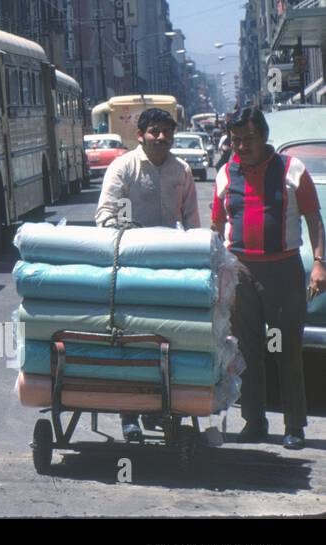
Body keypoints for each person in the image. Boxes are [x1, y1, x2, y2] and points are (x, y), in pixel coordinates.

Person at [212, 106, 326, 450]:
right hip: (241, 272)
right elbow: (216, 227)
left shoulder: (293, 170)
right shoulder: (224, 174)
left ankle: (294, 425)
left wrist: (319, 263)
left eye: (248, 139)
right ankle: (254, 420)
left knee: (286, 349)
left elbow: (313, 219)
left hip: (283, 272)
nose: (242, 147)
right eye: (235, 141)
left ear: (263, 137)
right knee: (246, 350)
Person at [95, 107, 201, 443]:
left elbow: (192, 221)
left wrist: (195, 258)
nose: (161, 137)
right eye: (154, 131)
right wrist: (128, 238)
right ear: (141, 135)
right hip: (129, 269)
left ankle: (158, 408)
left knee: (163, 338)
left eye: (167, 132)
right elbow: (105, 215)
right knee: (129, 338)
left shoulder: (180, 171)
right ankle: (129, 415)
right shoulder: (124, 168)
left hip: (167, 270)